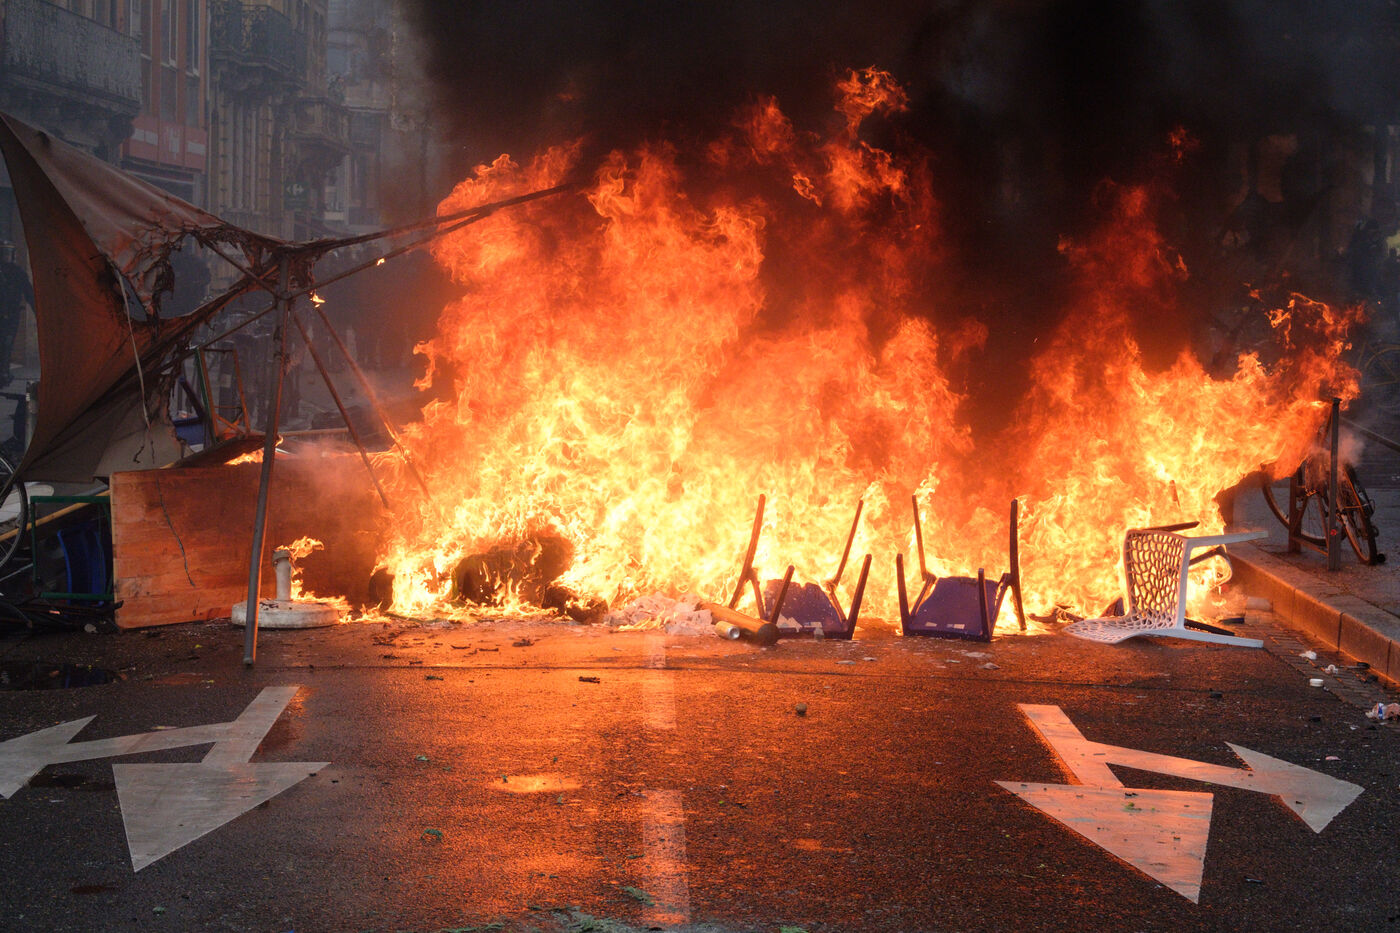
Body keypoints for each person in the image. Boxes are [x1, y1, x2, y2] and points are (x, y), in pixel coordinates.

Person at [0, 242, 34, 388]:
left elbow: (29, 294)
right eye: (4, 253)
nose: (6, 256)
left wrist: (37, 311)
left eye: (8, 253)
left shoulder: (18, 273)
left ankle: (4, 372)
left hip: (12, 316)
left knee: (7, 345)